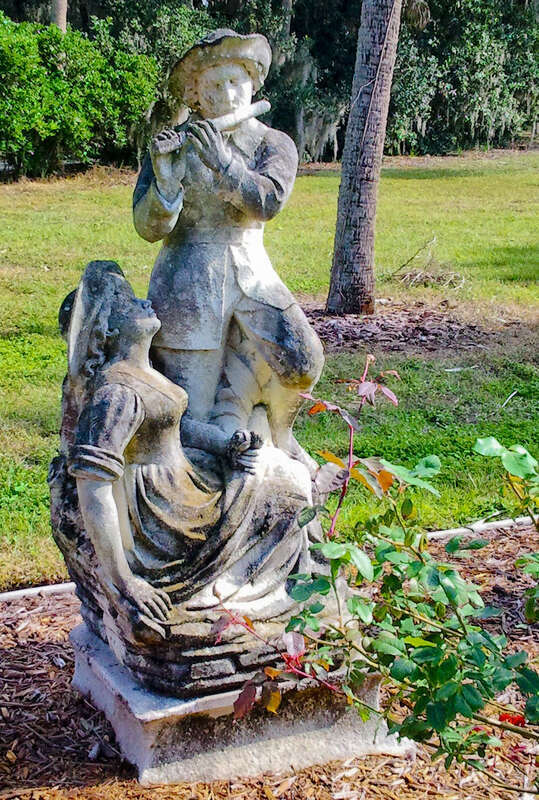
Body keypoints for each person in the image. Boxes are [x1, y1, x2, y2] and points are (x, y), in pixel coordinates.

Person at [51, 261, 315, 646]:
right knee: (286, 491)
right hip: (164, 513)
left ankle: (258, 590)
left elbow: (177, 425)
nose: (142, 301)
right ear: (106, 328)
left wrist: (223, 444)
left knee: (280, 472)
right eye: (126, 302)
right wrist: (126, 582)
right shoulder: (116, 393)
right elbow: (93, 488)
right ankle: (243, 597)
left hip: (186, 476)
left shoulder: (145, 372)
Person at [133, 29, 324, 463]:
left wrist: (223, 164)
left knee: (302, 361)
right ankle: (210, 478)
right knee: (189, 412)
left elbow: (268, 201)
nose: (228, 93)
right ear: (196, 95)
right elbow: (148, 227)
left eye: (235, 82)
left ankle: (279, 432)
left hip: (252, 270)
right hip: (187, 281)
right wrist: (165, 180)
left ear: (253, 84)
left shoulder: (273, 143)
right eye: (214, 86)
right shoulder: (173, 143)